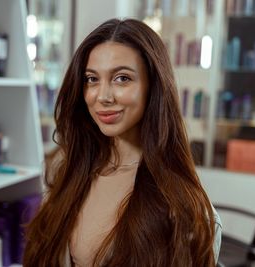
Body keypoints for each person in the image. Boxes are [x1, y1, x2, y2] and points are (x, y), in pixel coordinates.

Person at [23, 18, 222, 267]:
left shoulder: (182, 204)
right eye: (91, 79)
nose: (102, 96)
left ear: (153, 86)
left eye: (122, 79)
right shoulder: (70, 169)